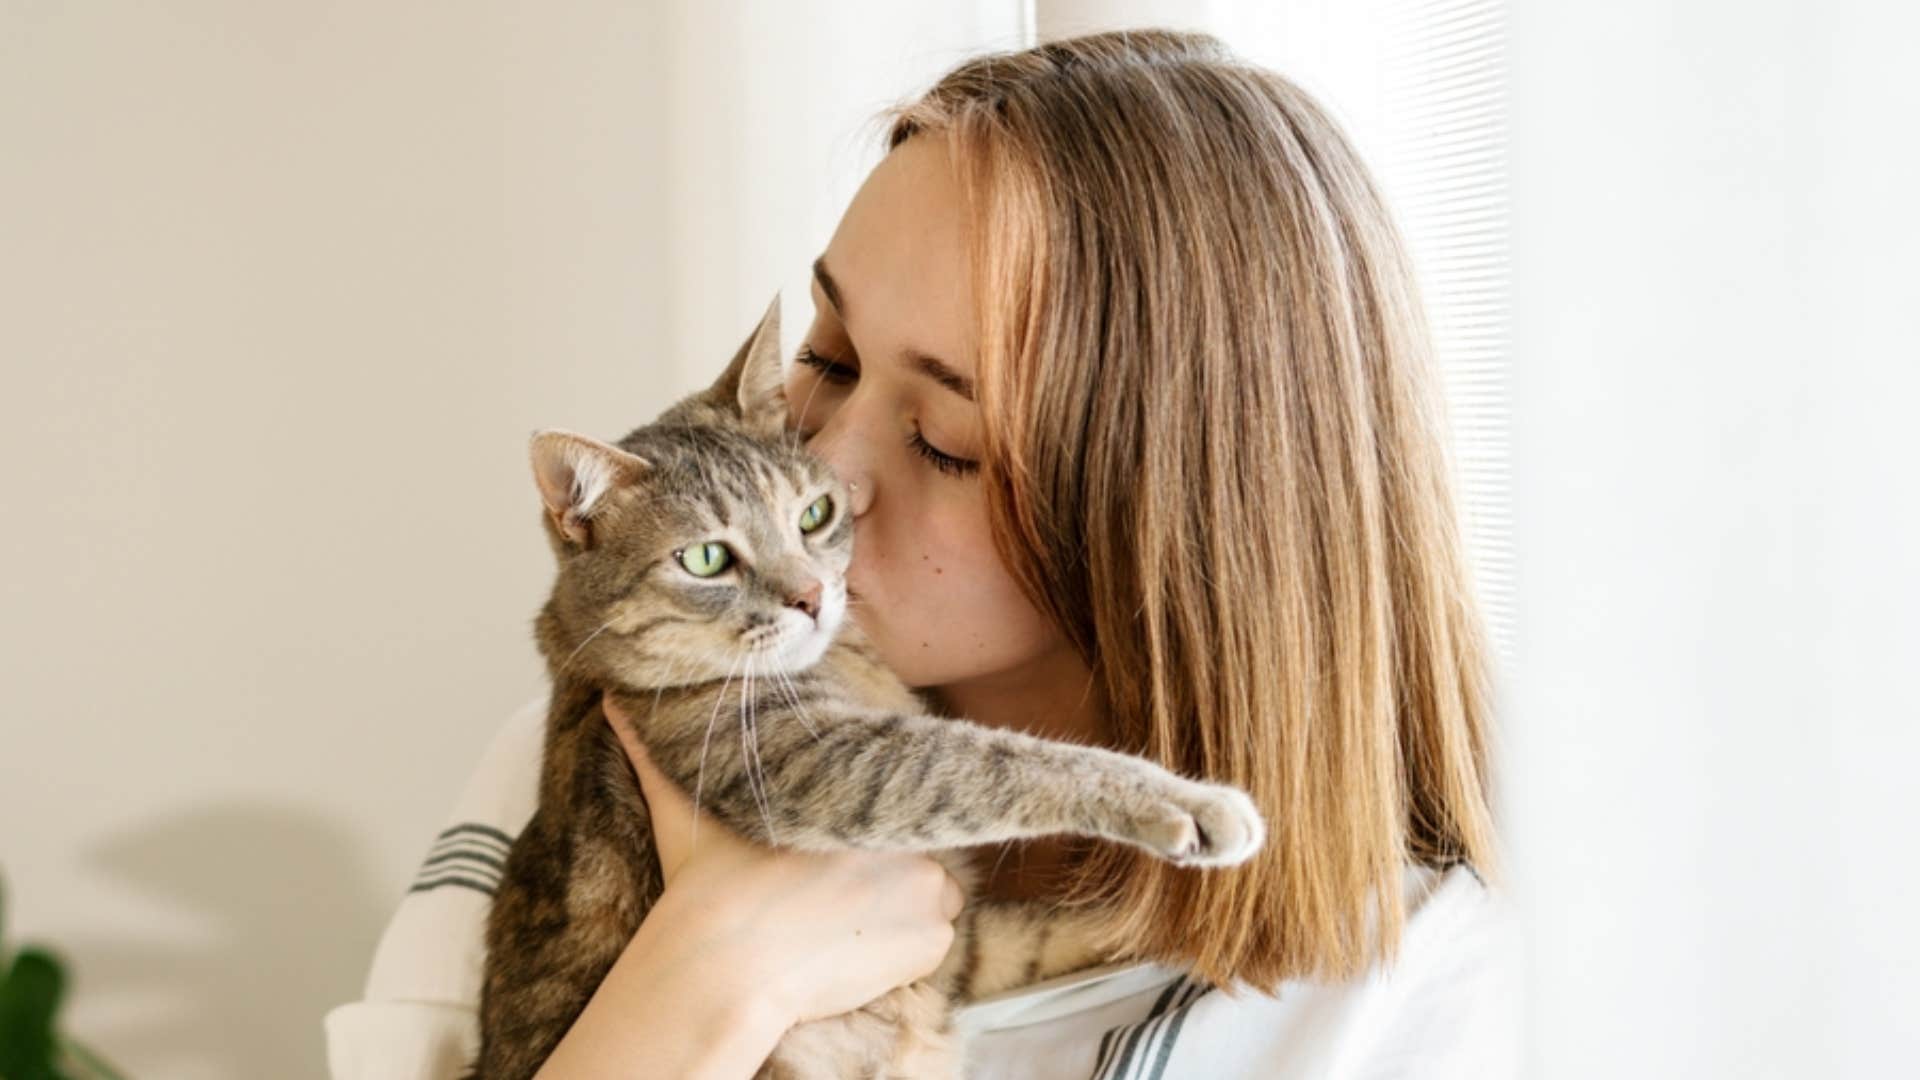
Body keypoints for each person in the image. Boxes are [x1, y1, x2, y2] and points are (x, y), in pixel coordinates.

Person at [325, 27, 1521, 1080]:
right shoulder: (609, 742)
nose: (824, 477)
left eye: (945, 441)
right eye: (831, 355)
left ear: (1164, 520)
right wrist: (700, 986)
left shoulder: (1410, 985)